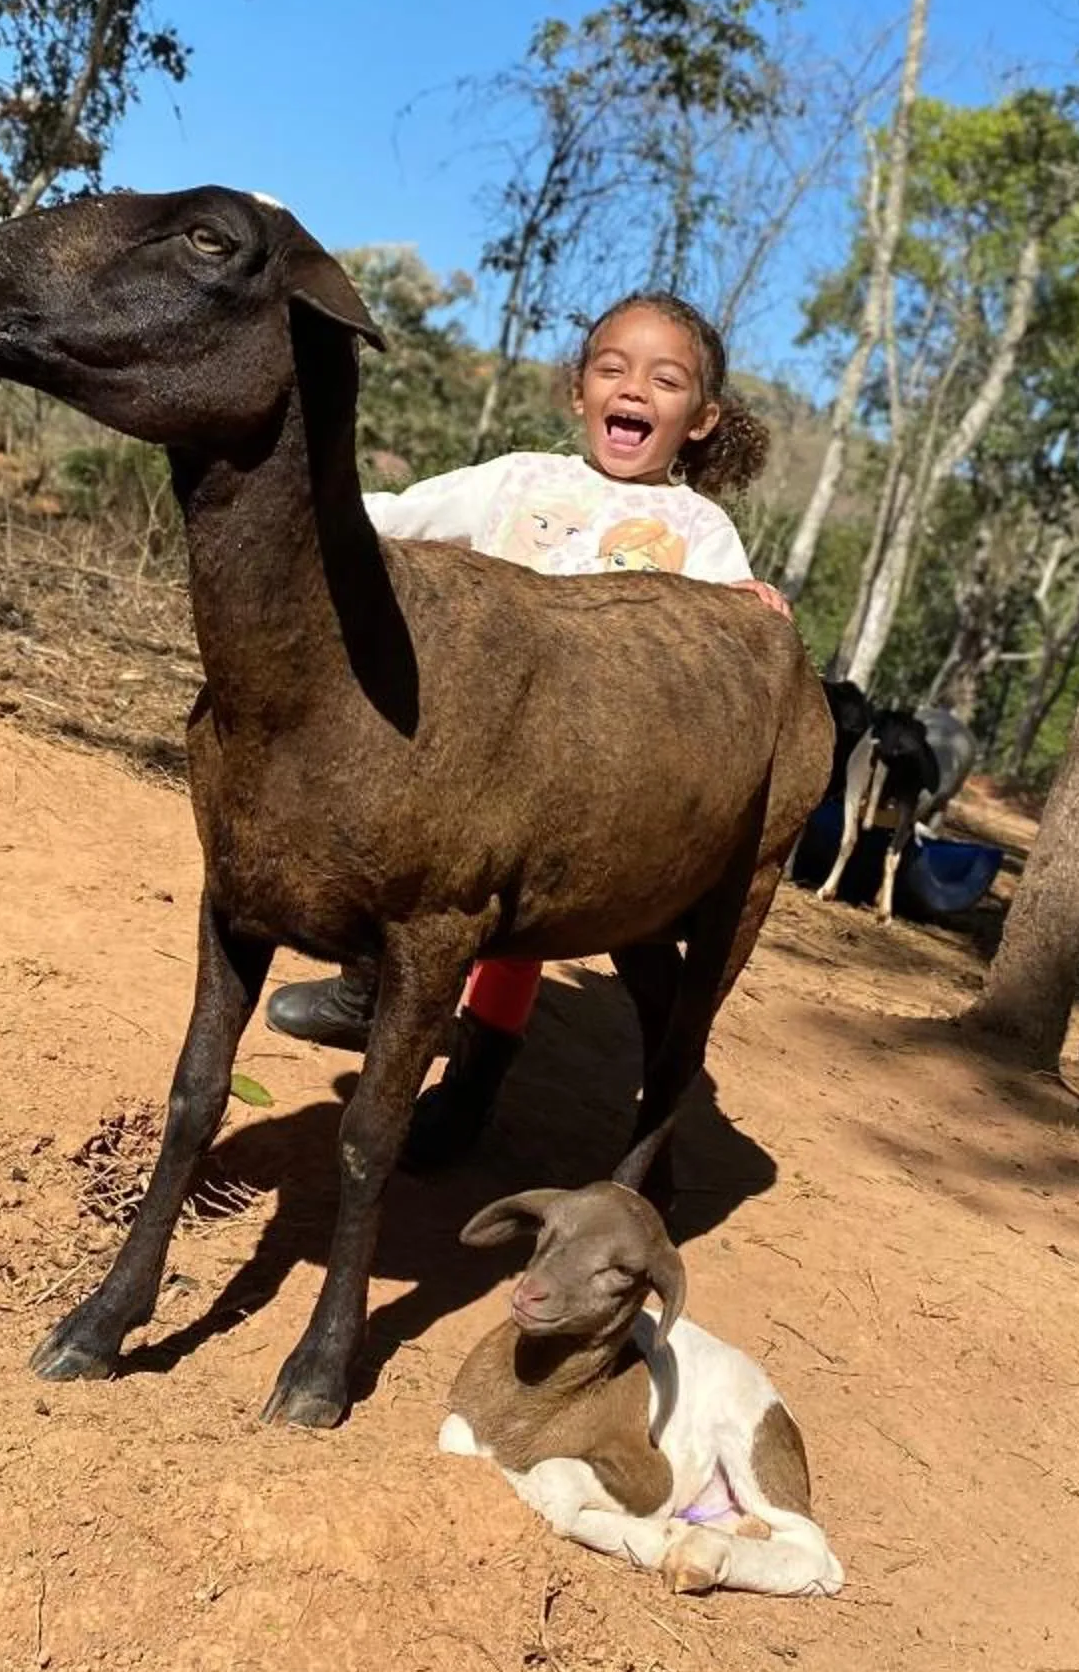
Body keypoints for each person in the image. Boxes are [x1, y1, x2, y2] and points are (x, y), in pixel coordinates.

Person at [265, 287, 790, 1167]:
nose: (634, 390)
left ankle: (471, 1086)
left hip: (577, 776)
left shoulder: (699, 528)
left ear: (700, 420)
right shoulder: (519, 480)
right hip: (462, 748)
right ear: (577, 390)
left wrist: (748, 602)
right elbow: (398, 516)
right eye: (612, 368)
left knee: (518, 930)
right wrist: (307, 496)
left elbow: (723, 636)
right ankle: (367, 991)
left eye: (665, 380)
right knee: (388, 846)